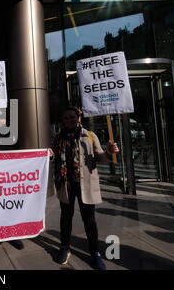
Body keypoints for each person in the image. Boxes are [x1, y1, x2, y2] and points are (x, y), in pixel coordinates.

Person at [50, 106, 119, 270]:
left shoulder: (89, 135)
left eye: (72, 117)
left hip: (85, 184)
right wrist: (49, 155)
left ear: (79, 117)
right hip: (65, 184)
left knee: (89, 220)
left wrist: (110, 152)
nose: (69, 120)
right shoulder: (58, 137)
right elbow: (53, 157)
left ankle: (95, 253)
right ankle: (65, 248)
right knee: (66, 218)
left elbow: (101, 158)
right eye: (66, 118)